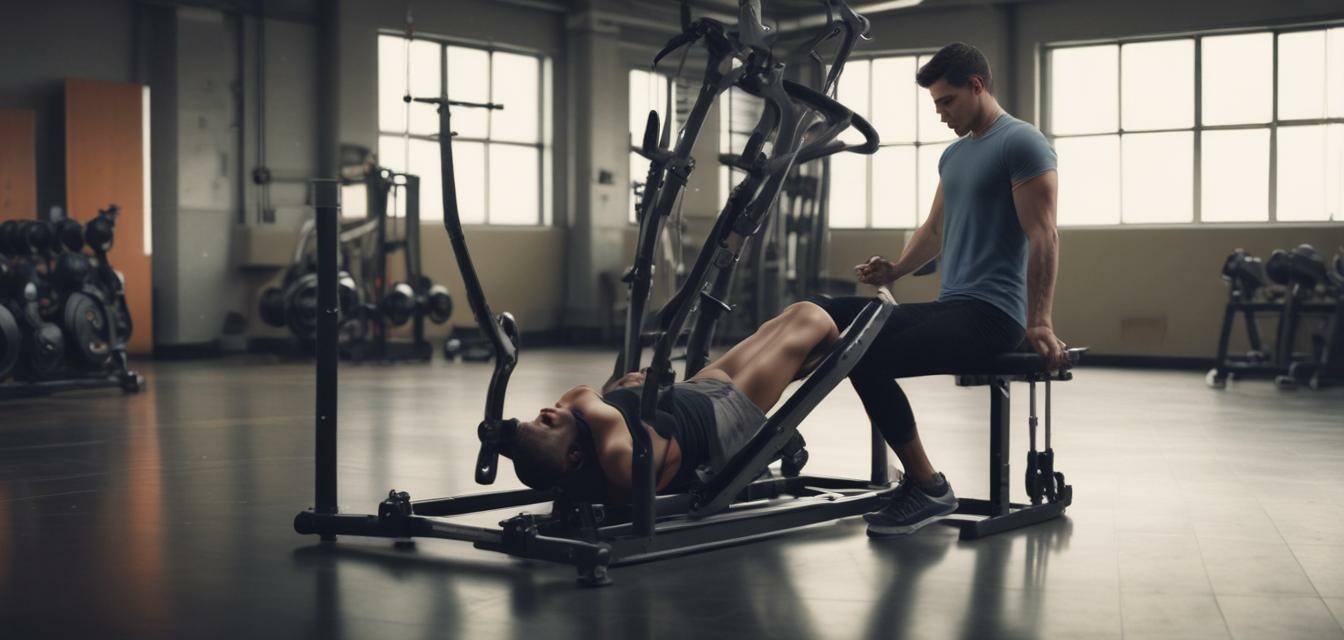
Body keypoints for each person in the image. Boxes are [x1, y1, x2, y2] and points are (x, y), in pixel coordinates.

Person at [820, 42, 1067, 537]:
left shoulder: (1022, 143)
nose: (940, 113)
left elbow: (1045, 235)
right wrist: (894, 271)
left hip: (995, 316)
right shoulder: (954, 155)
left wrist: (1039, 320)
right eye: (935, 103)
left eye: (947, 101)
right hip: (952, 306)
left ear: (977, 86)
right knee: (825, 316)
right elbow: (934, 230)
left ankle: (926, 484)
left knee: (863, 352)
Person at [502, 301, 840, 503]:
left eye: (537, 417)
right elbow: (584, 396)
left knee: (785, 318)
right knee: (812, 317)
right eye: (545, 424)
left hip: (699, 389)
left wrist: (624, 389)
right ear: (575, 456)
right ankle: (825, 353)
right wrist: (605, 401)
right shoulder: (618, 458)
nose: (546, 411)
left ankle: (803, 361)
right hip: (726, 414)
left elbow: (595, 402)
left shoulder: (593, 432)